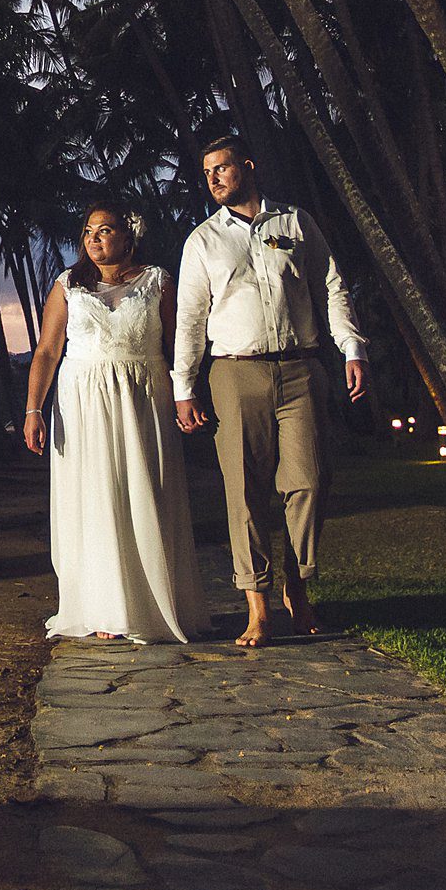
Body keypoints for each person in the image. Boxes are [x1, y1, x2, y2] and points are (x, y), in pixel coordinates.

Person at [173, 133, 366, 647]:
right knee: (244, 491)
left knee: (311, 481)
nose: (213, 178)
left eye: (222, 167)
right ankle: (256, 606)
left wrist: (352, 348)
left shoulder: (295, 223)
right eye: (207, 172)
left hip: (302, 369)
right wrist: (183, 387)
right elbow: (190, 318)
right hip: (234, 373)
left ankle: (296, 585)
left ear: (248, 166)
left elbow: (331, 285)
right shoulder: (203, 241)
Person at [23, 199, 208, 644]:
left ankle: (150, 604)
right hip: (82, 400)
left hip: (143, 394)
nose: (93, 239)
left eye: (104, 230)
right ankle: (104, 606)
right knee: (95, 496)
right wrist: (33, 409)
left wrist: (186, 394)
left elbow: (177, 344)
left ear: (129, 235)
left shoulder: (158, 281)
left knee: (146, 491)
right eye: (88, 231)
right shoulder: (68, 285)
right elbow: (47, 350)